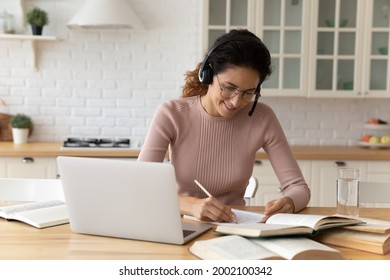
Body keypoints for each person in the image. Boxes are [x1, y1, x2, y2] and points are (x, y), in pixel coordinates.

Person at [138, 29, 310, 223]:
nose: (236, 102)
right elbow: (141, 187)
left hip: (236, 228)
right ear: (208, 74)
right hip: (180, 225)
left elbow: (299, 188)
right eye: (229, 88)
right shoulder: (172, 114)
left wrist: (289, 202)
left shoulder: (263, 118)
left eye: (248, 92)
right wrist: (190, 205)